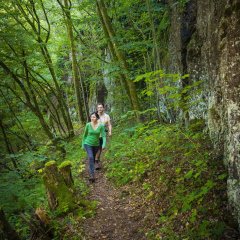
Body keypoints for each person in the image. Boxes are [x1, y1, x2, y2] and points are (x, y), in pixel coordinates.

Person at [82, 112, 106, 182]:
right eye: (91, 117)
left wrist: (103, 144)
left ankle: (92, 171)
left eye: (94, 117)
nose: (92, 118)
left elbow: (104, 136)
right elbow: (84, 135)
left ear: (97, 118)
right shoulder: (88, 125)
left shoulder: (101, 126)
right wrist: (82, 144)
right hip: (88, 143)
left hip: (96, 145)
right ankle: (92, 175)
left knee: (93, 157)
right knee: (91, 157)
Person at [95, 103, 112, 170]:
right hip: (95, 134)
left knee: (101, 148)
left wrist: (110, 131)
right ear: (97, 109)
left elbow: (109, 125)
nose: (100, 109)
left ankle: (97, 159)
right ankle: (96, 161)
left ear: (103, 108)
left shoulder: (107, 116)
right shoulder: (95, 116)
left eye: (101, 107)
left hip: (103, 135)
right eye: (98, 107)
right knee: (97, 148)